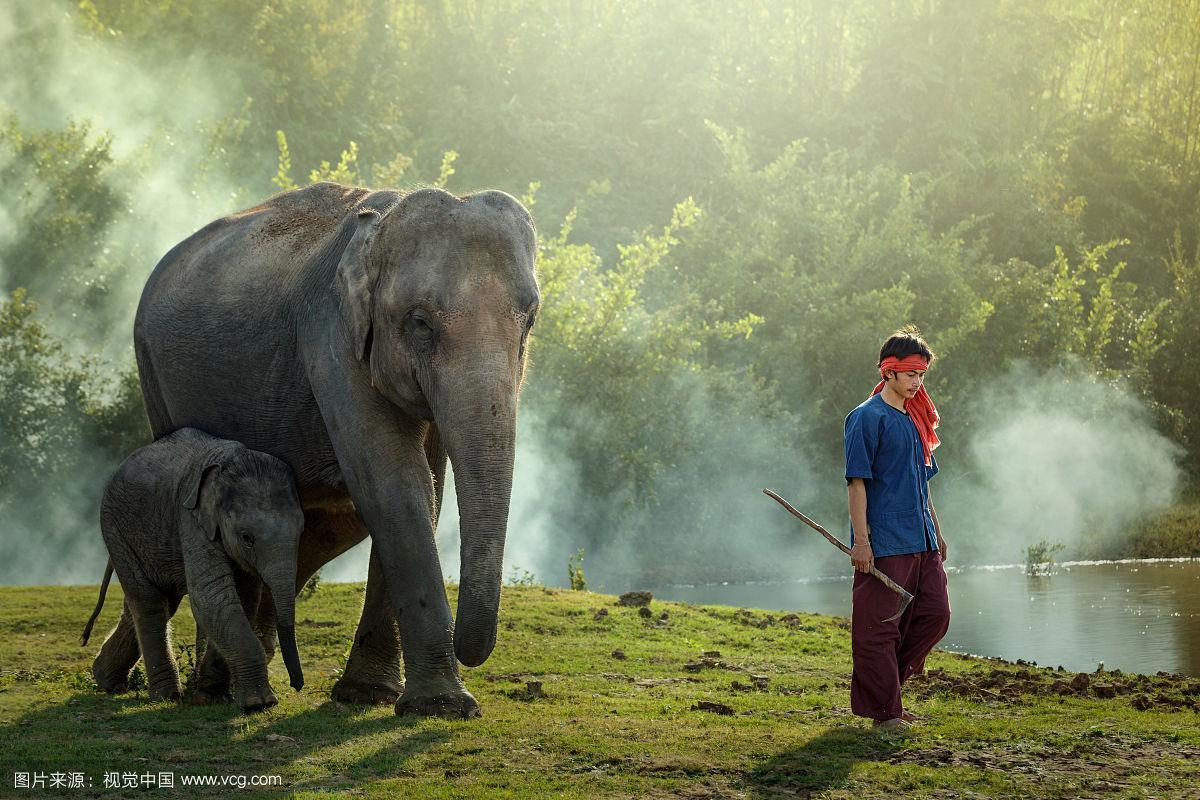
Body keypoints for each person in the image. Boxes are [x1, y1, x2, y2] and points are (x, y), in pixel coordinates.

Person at [843, 325, 950, 730]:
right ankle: (885, 712)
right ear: (888, 372)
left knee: (935, 614)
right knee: (878, 628)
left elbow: (922, 486)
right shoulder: (866, 418)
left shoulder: (916, 419)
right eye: (910, 375)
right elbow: (857, 483)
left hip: (921, 539)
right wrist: (862, 543)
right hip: (884, 542)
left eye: (921, 375)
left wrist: (936, 534)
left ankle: (887, 691)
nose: (917, 383)